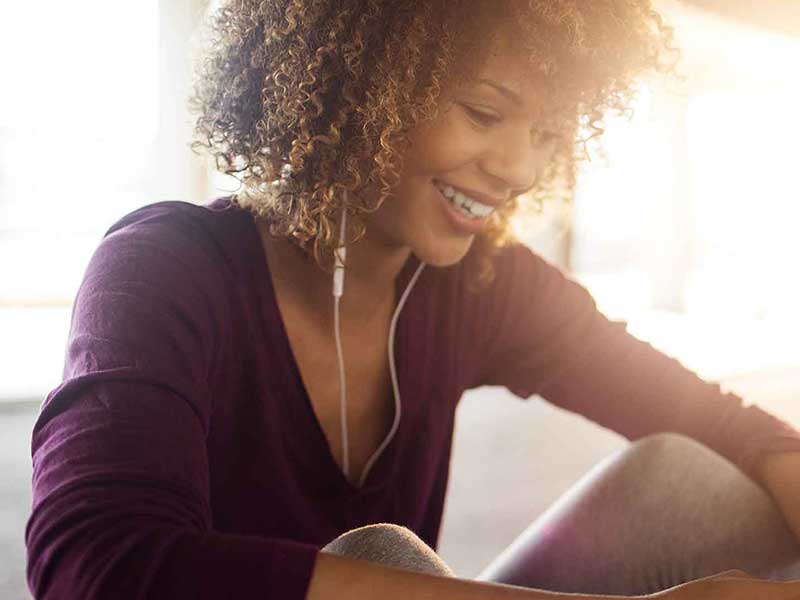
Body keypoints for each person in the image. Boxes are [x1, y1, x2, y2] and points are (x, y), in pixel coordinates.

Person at [25, 1, 800, 599]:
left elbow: (724, 424)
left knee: (690, 481)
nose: (521, 169)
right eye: (486, 113)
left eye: (548, 134)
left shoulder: (481, 285)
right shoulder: (165, 265)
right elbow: (96, 562)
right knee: (379, 555)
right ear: (360, 87)